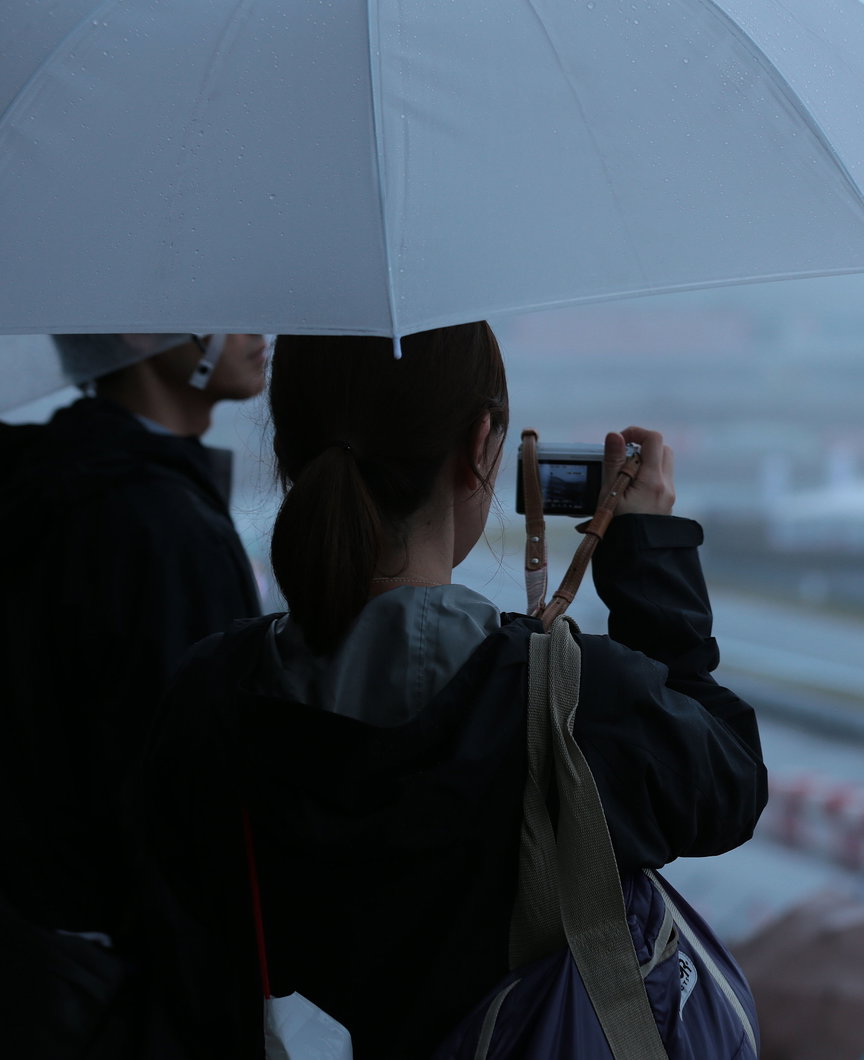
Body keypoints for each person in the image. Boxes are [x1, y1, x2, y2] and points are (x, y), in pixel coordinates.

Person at [123, 323, 766, 1058]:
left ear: (290, 449)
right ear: (480, 449)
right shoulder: (572, 703)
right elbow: (731, 786)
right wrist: (652, 564)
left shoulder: (211, 691)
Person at [0, 333, 267, 937]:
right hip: (128, 976)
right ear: (142, 334)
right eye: (220, 297)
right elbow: (184, 804)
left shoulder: (63, 476)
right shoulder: (154, 522)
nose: (257, 326)